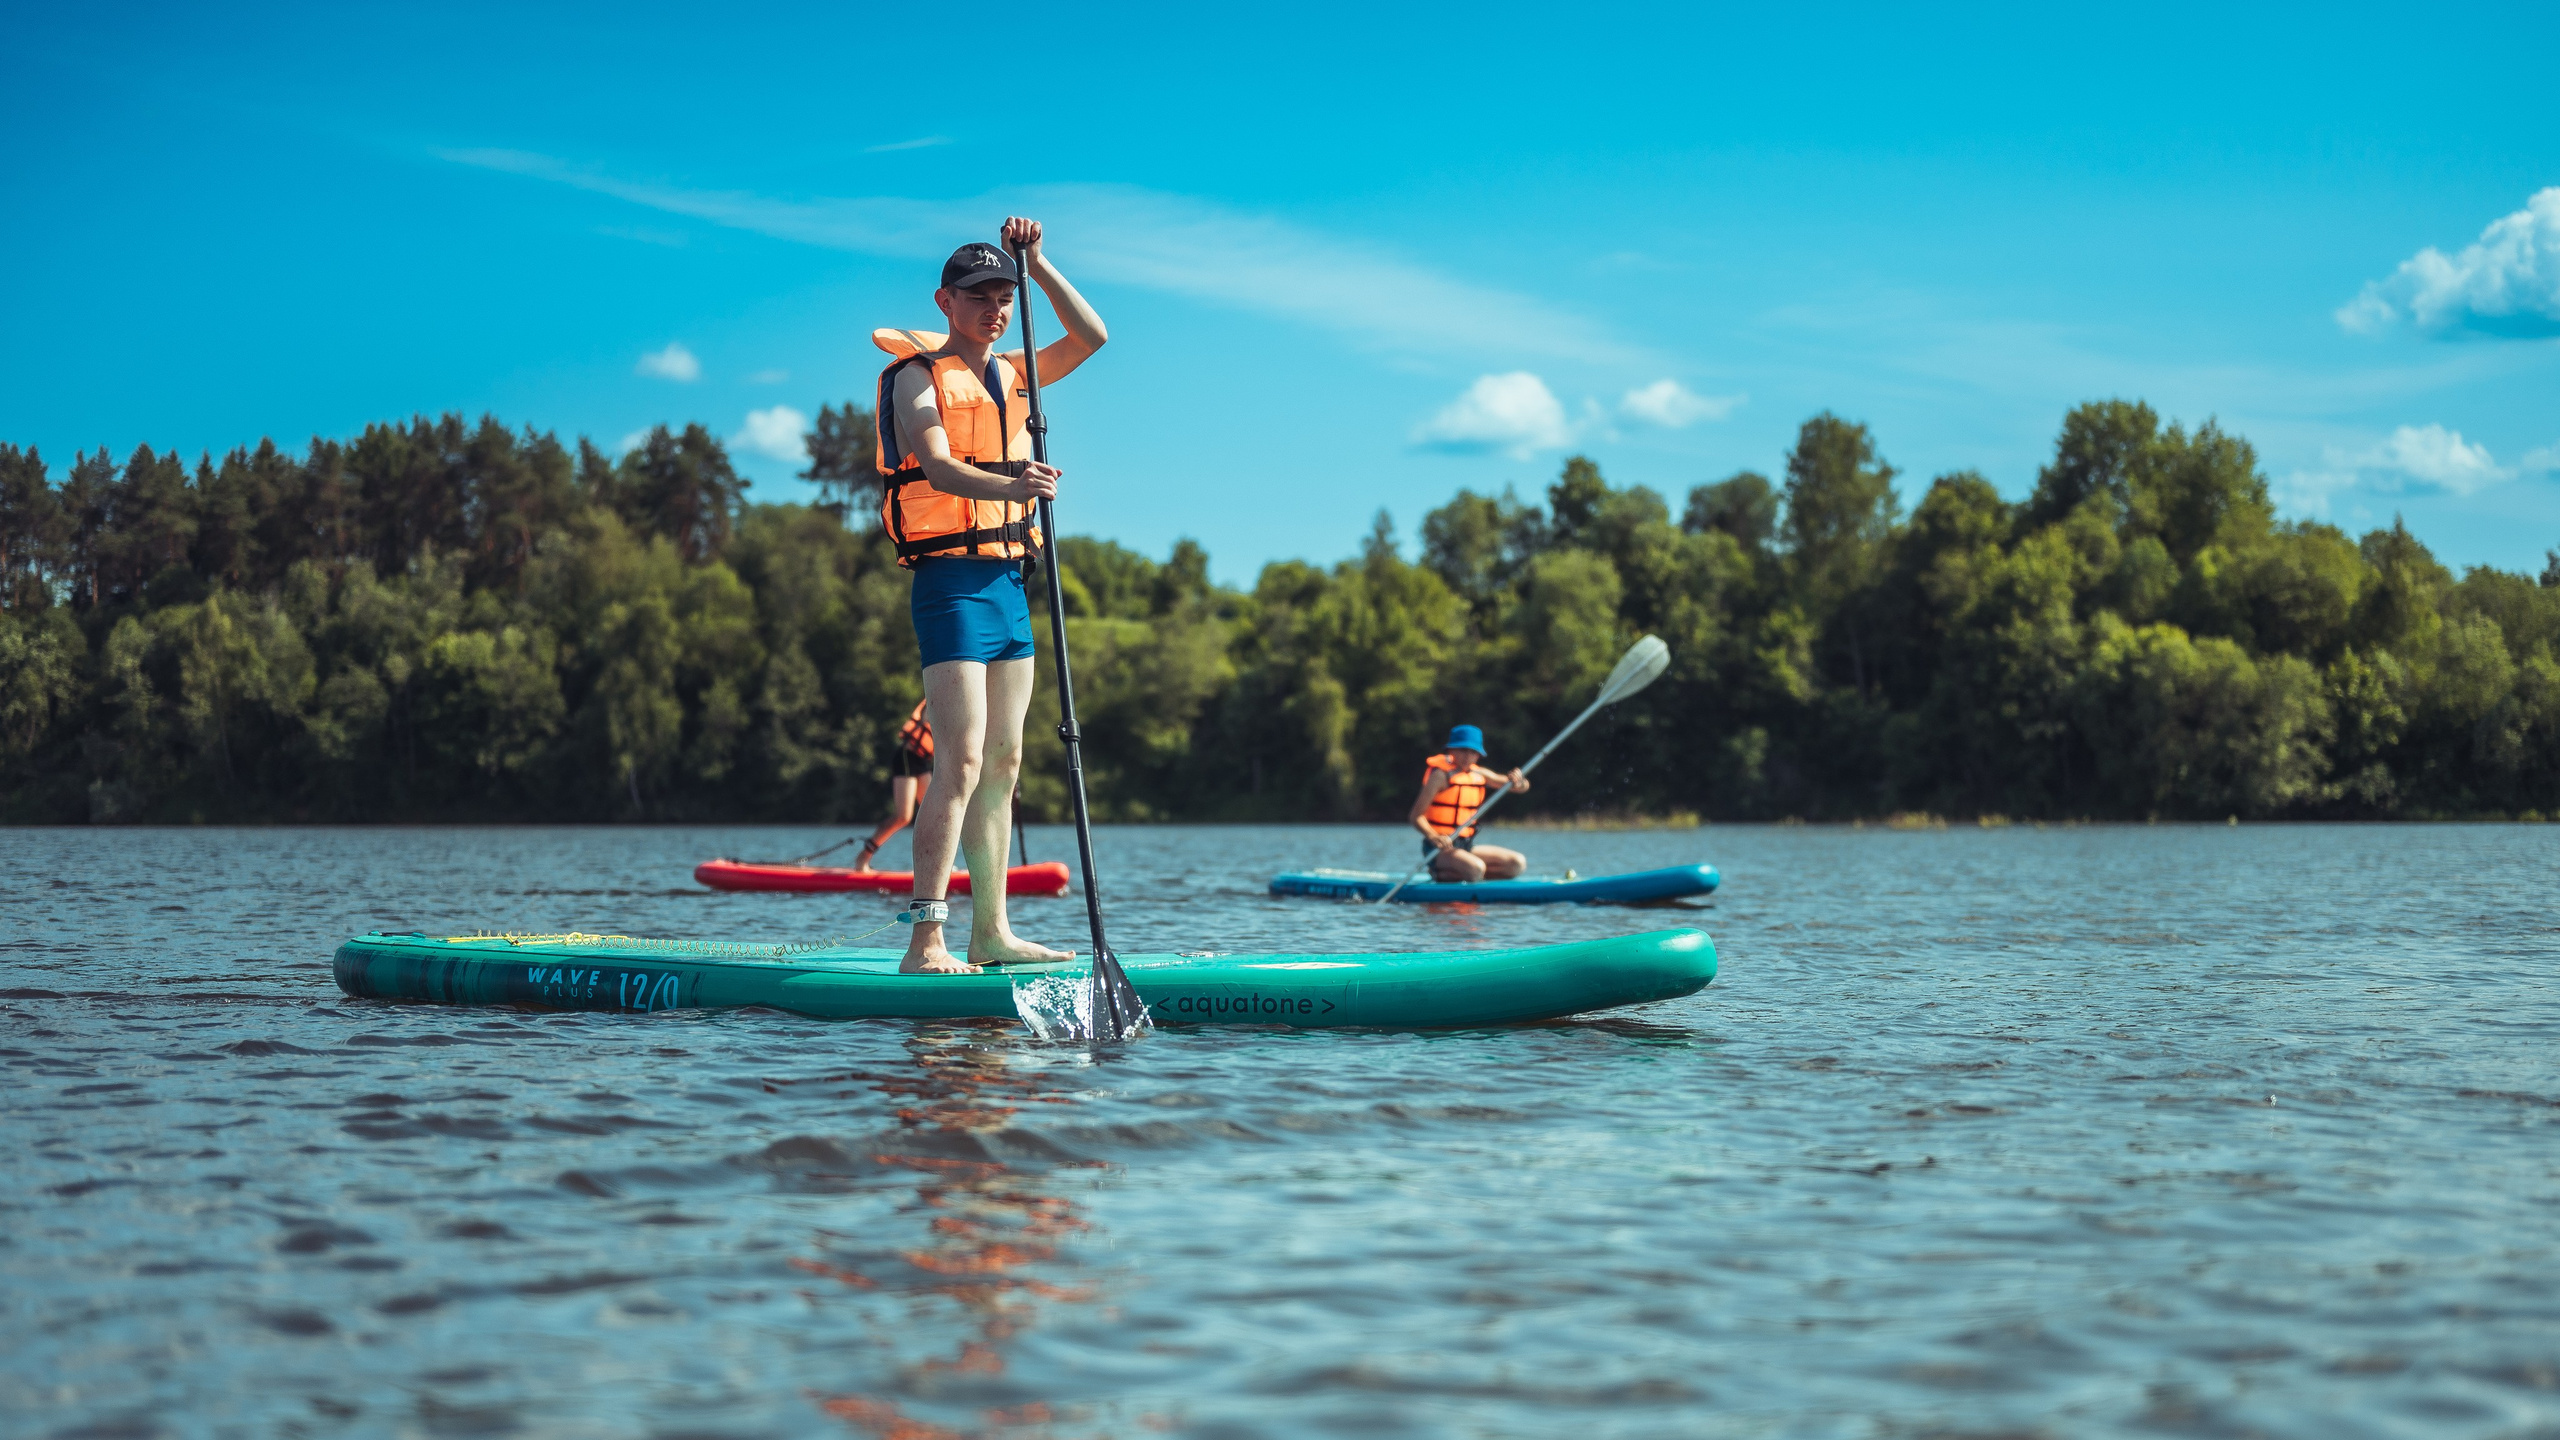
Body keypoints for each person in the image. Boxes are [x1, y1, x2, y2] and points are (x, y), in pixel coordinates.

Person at [876, 217, 1105, 973]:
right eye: (979, 296)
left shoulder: (1016, 372)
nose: (995, 308)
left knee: (1006, 762)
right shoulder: (915, 377)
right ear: (946, 301)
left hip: (1009, 582)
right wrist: (1016, 484)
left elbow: (1093, 335)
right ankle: (926, 941)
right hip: (951, 585)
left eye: (1004, 296)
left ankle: (992, 933)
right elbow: (938, 466)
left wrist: (1038, 262)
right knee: (962, 761)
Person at [1408, 725, 1531, 882]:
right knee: (1476, 868)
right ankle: (1439, 873)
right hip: (1438, 849)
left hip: (1466, 846)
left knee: (1517, 864)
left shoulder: (1480, 774)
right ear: (1451, 750)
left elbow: (1521, 787)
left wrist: (1518, 781)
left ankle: (1474, 878)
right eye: (1463, 750)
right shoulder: (1440, 776)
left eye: (1473, 752)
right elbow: (1415, 816)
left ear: (1479, 755)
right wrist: (1434, 836)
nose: (1467, 756)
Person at [851, 699, 935, 873]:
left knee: (936, 815)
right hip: (907, 757)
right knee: (903, 816)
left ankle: (935, 867)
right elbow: (928, 717)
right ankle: (863, 858)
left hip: (922, 761)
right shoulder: (940, 694)